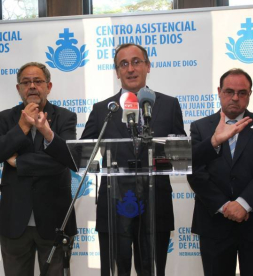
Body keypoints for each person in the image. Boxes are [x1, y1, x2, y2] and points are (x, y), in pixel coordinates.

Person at [81, 44, 185, 276]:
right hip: (114, 205)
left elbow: (180, 153)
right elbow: (84, 152)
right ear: (117, 72)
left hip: (155, 204)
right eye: (124, 64)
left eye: (136, 62)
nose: (130, 69)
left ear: (148, 66)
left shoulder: (169, 105)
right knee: (115, 270)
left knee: (153, 270)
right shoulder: (103, 110)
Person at [0, 62, 78, 276]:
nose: (32, 86)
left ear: (48, 86)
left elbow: (68, 159)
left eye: (37, 81)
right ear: (18, 89)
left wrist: (19, 162)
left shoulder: (65, 117)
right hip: (15, 221)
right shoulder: (4, 118)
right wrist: (22, 127)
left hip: (55, 219)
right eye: (26, 82)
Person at [187, 68, 253, 276]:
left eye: (242, 92)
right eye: (229, 91)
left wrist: (243, 203)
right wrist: (225, 206)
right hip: (213, 223)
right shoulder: (200, 127)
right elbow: (193, 169)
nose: (235, 97)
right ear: (219, 91)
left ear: (250, 94)